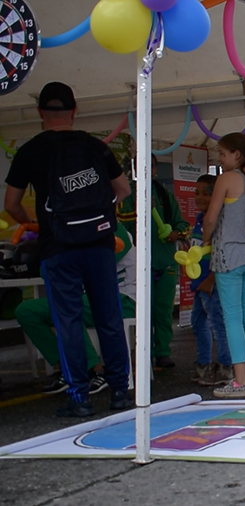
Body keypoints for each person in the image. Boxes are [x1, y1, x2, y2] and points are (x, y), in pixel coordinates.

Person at [4, 81, 134, 416]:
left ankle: (80, 398)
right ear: (75, 111)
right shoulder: (95, 146)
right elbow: (122, 189)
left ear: (40, 113)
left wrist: (35, 222)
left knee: (68, 323)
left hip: (57, 247)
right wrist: (102, 209)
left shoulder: (30, 151)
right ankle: (120, 392)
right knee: (109, 318)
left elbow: (11, 204)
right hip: (99, 243)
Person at [16, 223, 136, 396]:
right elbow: (48, 272)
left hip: (123, 298)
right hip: (89, 299)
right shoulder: (66, 229)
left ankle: (96, 371)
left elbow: (94, 264)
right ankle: (67, 368)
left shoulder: (113, 227)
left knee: (68, 307)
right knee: (26, 311)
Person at [203, 132, 245, 398]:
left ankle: (240, 380)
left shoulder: (227, 179)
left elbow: (210, 218)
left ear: (237, 154)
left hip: (228, 255)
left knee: (232, 318)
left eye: (222, 153)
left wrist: (206, 240)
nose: (219, 158)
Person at [117, 154, 189, 368]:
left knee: (163, 310)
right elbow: (121, 225)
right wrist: (143, 207)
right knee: (143, 311)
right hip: (138, 266)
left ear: (156, 169)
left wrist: (175, 234)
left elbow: (182, 225)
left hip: (165, 261)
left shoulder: (165, 196)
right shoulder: (126, 195)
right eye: (140, 165)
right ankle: (144, 352)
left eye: (151, 166)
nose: (147, 169)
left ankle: (163, 351)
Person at [188, 174, 233, 386]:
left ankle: (225, 367)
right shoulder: (199, 220)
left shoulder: (218, 221)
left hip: (211, 283)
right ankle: (203, 364)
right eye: (195, 193)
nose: (198, 197)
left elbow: (221, 253)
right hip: (199, 283)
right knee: (197, 322)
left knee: (218, 323)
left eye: (204, 193)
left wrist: (211, 279)